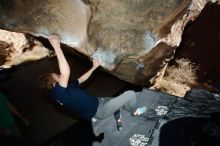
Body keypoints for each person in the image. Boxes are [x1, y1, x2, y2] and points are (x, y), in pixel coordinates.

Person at [40, 34, 147, 131]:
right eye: (57, 76)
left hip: (98, 102)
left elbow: (81, 79)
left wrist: (94, 67)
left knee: (116, 102)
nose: (59, 74)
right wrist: (56, 47)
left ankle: (118, 120)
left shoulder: (64, 88)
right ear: (53, 83)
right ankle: (134, 112)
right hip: (99, 111)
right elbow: (65, 73)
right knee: (130, 94)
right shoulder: (59, 92)